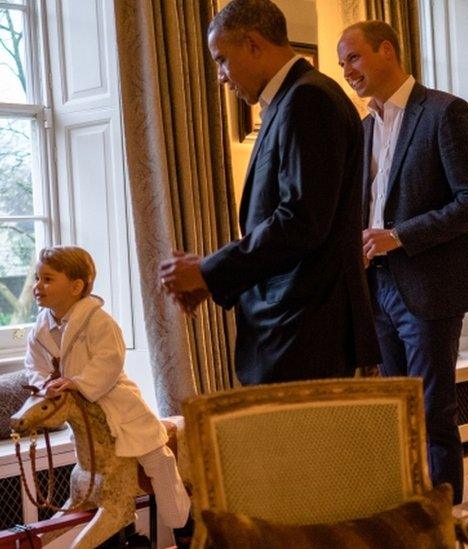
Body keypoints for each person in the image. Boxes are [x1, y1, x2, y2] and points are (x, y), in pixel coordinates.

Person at [159, 0, 379, 385]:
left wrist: (210, 271)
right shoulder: (292, 100)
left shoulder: (308, 99)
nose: (221, 76)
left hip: (306, 332)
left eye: (222, 59)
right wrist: (211, 279)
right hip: (296, 330)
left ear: (253, 43)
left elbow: (301, 222)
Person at [337, 21, 468, 503]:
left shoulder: (445, 112)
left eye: (355, 57)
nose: (347, 70)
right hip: (376, 288)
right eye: (343, 62)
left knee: (433, 413)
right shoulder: (363, 128)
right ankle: (409, 512)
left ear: (387, 50)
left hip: (430, 286)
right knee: (398, 414)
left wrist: (399, 237)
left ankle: (442, 522)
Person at [25, 246, 191, 532]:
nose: (37, 286)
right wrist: (44, 385)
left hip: (114, 399)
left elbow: (110, 360)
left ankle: (178, 515)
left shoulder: (99, 322)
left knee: (154, 452)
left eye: (47, 279)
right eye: (37, 278)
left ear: (76, 286)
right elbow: (33, 366)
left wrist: (77, 382)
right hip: (80, 407)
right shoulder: (39, 329)